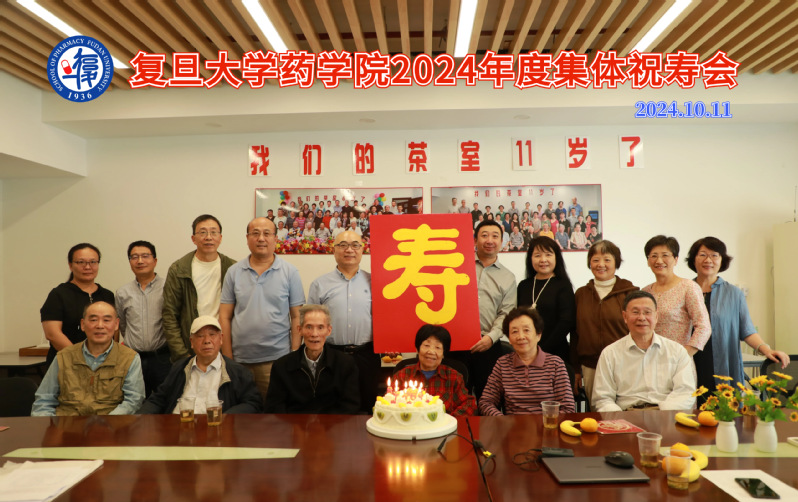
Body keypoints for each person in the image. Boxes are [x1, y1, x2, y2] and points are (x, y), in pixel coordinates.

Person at [220, 217, 305, 403]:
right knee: (241, 413)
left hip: (277, 360)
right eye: (255, 233)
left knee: (274, 413)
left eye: (267, 233)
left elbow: (297, 317)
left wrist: (294, 354)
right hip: (240, 360)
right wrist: (228, 358)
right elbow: (224, 316)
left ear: (275, 238)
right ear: (247, 238)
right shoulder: (233, 272)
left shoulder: (290, 272)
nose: (261, 238)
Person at [687, 237, 790, 386]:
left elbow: (747, 330)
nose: (708, 260)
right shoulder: (684, 290)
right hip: (689, 361)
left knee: (724, 399)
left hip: (723, 362)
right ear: (693, 259)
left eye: (714, 255)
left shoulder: (734, 293)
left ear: (722, 260)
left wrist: (767, 350)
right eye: (702, 255)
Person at [308, 230, 379, 412]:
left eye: (355, 245)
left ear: (362, 250)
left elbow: (385, 317)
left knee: (368, 407)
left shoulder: (375, 282)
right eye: (343, 245)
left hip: (366, 355)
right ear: (334, 250)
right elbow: (311, 322)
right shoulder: (320, 284)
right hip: (331, 355)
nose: (349, 250)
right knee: (332, 409)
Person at [32, 301, 144, 416]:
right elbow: (43, 401)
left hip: (110, 424)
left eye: (106, 320)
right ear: (83, 324)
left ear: (116, 324)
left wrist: (107, 423)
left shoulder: (129, 358)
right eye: (93, 320)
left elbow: (133, 401)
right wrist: (52, 425)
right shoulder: (64, 356)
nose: (100, 325)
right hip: (67, 423)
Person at [592, 291, 696, 411]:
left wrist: (662, 412)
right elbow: (603, 398)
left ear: (656, 316)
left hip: (665, 414)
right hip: (626, 414)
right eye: (635, 312)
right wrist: (619, 419)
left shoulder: (677, 351)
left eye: (647, 312)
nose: (641, 318)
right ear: (625, 316)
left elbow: (685, 393)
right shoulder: (610, 353)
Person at [447, 220, 516, 400]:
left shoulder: (508, 277)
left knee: (488, 399)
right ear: (475, 240)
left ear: (501, 241)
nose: (489, 240)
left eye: (495, 236)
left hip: (488, 346)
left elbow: (506, 313)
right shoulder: (457, 266)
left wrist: (491, 337)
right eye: (484, 235)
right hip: (455, 344)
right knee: (454, 398)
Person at [138, 316, 262, 415]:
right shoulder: (179, 368)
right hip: (180, 426)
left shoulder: (237, 372)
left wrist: (226, 416)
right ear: (192, 342)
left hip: (216, 427)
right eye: (200, 336)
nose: (207, 341)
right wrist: (139, 418)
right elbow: (158, 399)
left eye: (212, 335)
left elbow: (253, 403)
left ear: (221, 339)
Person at [163, 215, 236, 362]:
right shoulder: (178, 269)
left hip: (224, 346)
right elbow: (169, 315)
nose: (208, 237)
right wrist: (182, 355)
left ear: (220, 238)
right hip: (191, 347)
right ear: (193, 238)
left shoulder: (233, 268)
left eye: (213, 232)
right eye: (202, 232)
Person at [573, 240, 639, 403]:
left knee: (625, 410)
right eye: (595, 260)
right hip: (590, 366)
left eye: (607, 259)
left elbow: (639, 331)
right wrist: (576, 369)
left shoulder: (630, 293)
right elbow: (575, 333)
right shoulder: (581, 294)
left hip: (624, 364)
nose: (601, 264)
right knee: (597, 412)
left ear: (616, 263)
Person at [264, 305, 360, 414]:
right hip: (295, 423)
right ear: (299, 330)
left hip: (332, 423)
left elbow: (350, 406)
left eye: (320, 327)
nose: (314, 334)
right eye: (309, 327)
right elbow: (274, 407)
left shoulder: (345, 364)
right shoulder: (281, 366)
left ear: (329, 330)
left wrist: (324, 424)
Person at [479, 307, 575, 415]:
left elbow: (568, 408)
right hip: (512, 425)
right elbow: (486, 402)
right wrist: (502, 420)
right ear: (509, 339)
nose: (521, 336)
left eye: (526, 330)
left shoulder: (555, 364)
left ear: (538, 335)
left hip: (546, 424)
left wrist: (548, 421)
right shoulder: (502, 364)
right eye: (514, 331)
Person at [41, 243, 116, 366]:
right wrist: (81, 359)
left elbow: (113, 330)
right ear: (70, 265)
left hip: (103, 363)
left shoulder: (107, 295)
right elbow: (52, 334)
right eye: (81, 262)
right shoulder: (58, 294)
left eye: (93, 262)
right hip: (68, 363)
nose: (88, 267)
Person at [641, 235, 710, 361]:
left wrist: (684, 355)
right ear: (648, 261)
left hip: (678, 361)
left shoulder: (688, 287)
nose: (659, 261)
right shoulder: (645, 292)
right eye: (654, 256)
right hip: (649, 360)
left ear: (676, 259)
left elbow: (703, 327)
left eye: (665, 255)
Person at [116, 240, 171, 397]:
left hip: (163, 358)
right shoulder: (122, 292)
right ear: (130, 262)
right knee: (135, 402)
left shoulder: (168, 287)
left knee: (166, 402)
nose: (140, 261)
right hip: (133, 358)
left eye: (145, 256)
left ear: (155, 260)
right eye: (134, 257)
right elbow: (123, 325)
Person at [393, 325, 477, 416]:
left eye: (437, 347)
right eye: (426, 345)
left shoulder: (454, 377)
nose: (431, 351)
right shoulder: (402, 376)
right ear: (417, 349)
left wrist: (448, 419)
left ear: (443, 353)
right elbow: (390, 405)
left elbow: (469, 405)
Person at [517, 236, 575, 365]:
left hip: (555, 353)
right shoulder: (523, 285)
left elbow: (566, 322)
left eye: (548, 255)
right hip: (526, 352)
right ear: (530, 258)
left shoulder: (563, 285)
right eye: (537, 255)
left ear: (556, 258)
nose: (543, 260)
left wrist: (540, 350)